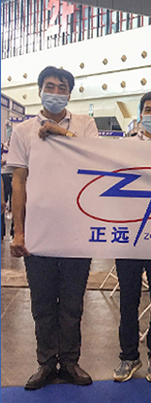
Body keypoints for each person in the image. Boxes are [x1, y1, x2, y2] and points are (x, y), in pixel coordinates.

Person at [7, 66, 98, 390]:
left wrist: (61, 134)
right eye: (50, 86)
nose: (55, 92)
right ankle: (46, 363)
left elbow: (96, 160)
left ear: (70, 93)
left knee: (72, 304)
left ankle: (70, 362)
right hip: (39, 234)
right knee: (43, 304)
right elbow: (18, 182)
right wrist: (19, 231)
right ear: (39, 90)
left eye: (62, 87)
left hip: (77, 231)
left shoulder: (85, 125)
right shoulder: (23, 131)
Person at [113, 91, 151, 383]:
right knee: (128, 299)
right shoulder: (123, 148)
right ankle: (128, 356)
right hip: (128, 235)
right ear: (140, 114)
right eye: (148, 109)